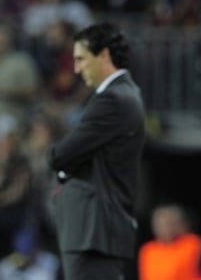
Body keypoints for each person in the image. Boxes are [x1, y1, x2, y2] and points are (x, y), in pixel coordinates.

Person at [47, 22, 146, 280]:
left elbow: (60, 155)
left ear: (104, 55)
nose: (77, 69)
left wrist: (60, 161)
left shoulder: (113, 99)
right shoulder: (124, 95)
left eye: (81, 59)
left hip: (94, 230)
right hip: (96, 229)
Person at [138, 203, 201, 280]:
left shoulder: (193, 244)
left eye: (168, 223)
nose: (164, 228)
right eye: (160, 224)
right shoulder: (148, 250)